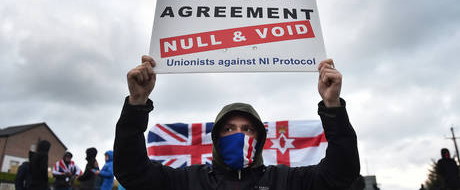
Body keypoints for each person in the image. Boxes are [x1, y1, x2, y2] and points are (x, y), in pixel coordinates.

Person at [114, 55, 360, 189]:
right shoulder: (188, 181)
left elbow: (341, 174)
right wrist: (137, 103)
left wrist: (333, 106)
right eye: (229, 129)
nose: (239, 135)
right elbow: (132, 173)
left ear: (259, 138)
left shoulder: (284, 181)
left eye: (247, 129)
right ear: (217, 137)